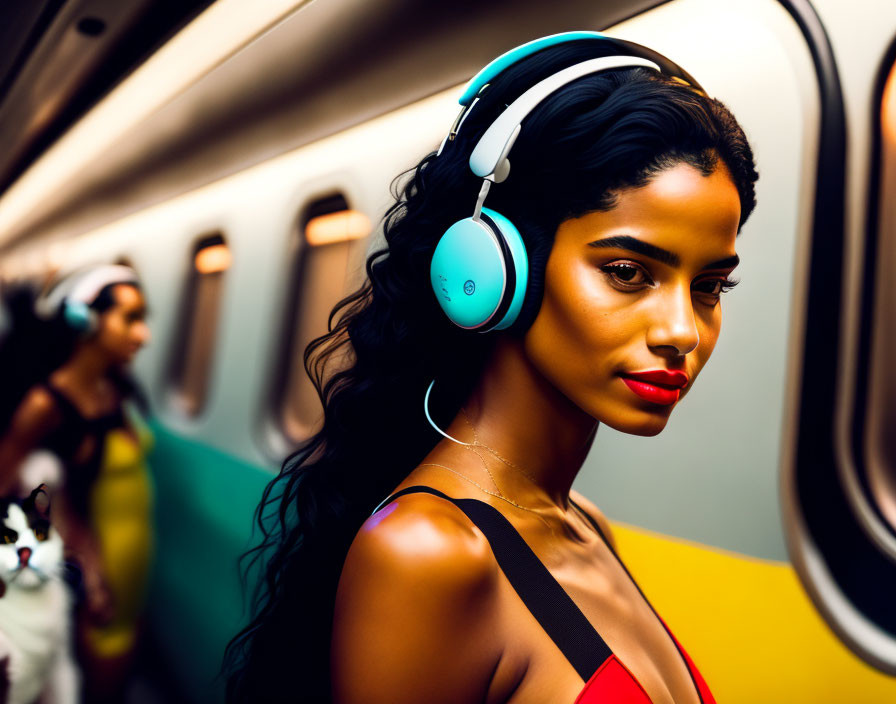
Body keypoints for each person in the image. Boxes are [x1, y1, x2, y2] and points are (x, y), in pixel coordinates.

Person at [224, 32, 758, 704]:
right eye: (627, 273)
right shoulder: (428, 554)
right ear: (495, 267)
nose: (683, 331)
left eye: (709, 287)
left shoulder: (584, 523)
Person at [0, 264, 154, 703]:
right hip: (89, 575)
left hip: (133, 565)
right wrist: (88, 565)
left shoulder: (114, 391)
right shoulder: (46, 404)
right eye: (131, 318)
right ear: (83, 320)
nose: (143, 335)